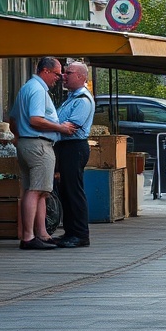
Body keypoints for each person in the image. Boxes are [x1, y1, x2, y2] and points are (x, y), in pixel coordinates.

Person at [9, 57, 77, 250]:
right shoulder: (38, 90)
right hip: (39, 145)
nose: (59, 78)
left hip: (26, 143)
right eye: (56, 74)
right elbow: (35, 120)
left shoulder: (26, 88)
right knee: (36, 190)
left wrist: (20, 137)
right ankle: (29, 236)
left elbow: (13, 120)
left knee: (39, 191)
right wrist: (60, 128)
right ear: (45, 71)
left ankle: (42, 234)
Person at [52, 61, 95, 248]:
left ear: (80, 76)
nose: (64, 76)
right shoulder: (71, 97)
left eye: (68, 72)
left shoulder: (83, 100)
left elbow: (70, 127)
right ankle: (70, 232)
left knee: (74, 191)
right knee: (66, 191)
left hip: (74, 147)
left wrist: (48, 126)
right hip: (65, 147)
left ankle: (80, 234)